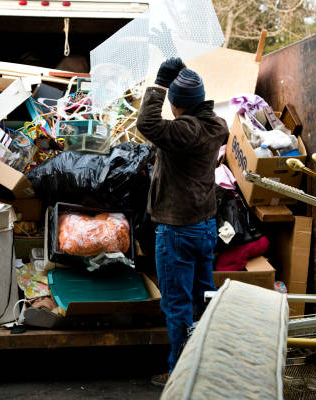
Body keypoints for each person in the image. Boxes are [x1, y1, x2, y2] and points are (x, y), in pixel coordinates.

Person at [136, 57, 229, 387]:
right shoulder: (217, 126)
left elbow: (147, 125)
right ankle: (209, 364)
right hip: (204, 227)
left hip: (177, 231)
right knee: (205, 299)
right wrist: (185, 79)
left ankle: (180, 374)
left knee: (177, 306)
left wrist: (161, 83)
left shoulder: (183, 131)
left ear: (176, 104)